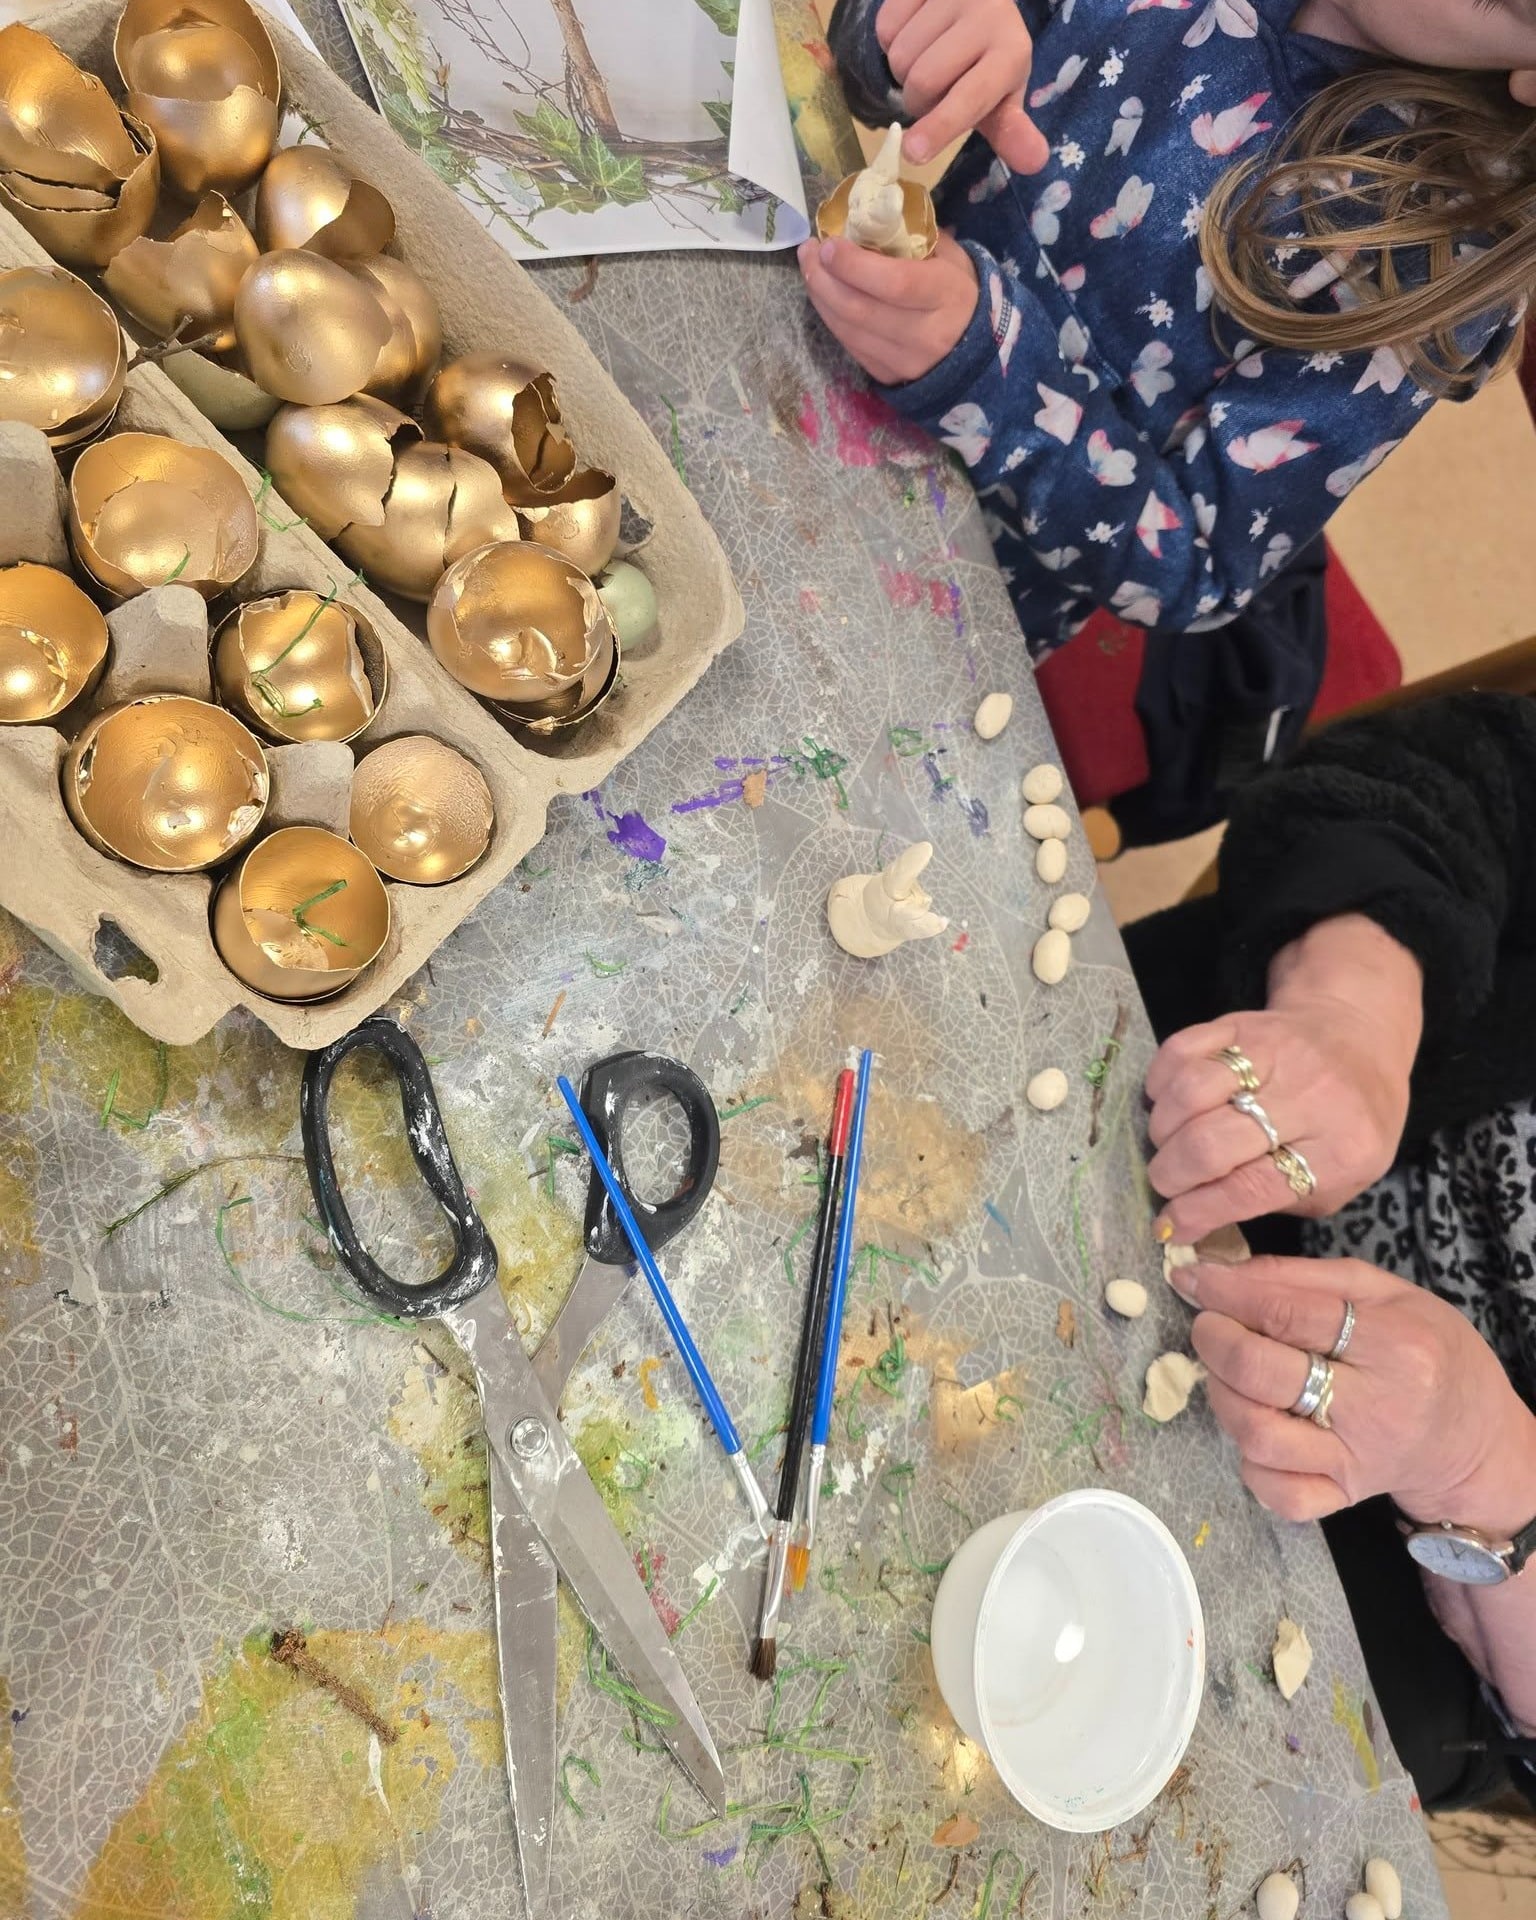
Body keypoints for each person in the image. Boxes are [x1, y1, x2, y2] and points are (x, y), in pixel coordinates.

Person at [811, 0, 1535, 833]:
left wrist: (987, 368)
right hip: (817, 353)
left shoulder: (1423, 269)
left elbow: (1196, 566)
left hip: (937, 577)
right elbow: (881, 62)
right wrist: (914, 43)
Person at [1122, 689, 1536, 1810]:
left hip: (1385, 1589)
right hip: (1207, 1085)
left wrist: (1486, 1466)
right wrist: (1357, 1009)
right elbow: (1466, 775)